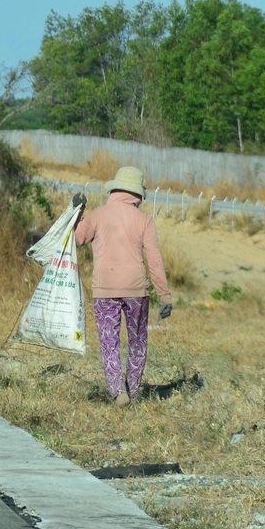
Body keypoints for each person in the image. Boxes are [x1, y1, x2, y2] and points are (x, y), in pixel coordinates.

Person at [75, 165, 172, 407]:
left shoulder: (97, 215)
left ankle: (118, 391)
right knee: (138, 341)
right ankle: (135, 391)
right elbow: (155, 259)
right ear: (138, 195)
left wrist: (78, 213)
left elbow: (77, 239)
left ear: (114, 189)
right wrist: (165, 295)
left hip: (104, 290)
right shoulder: (145, 220)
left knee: (109, 342)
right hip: (136, 290)